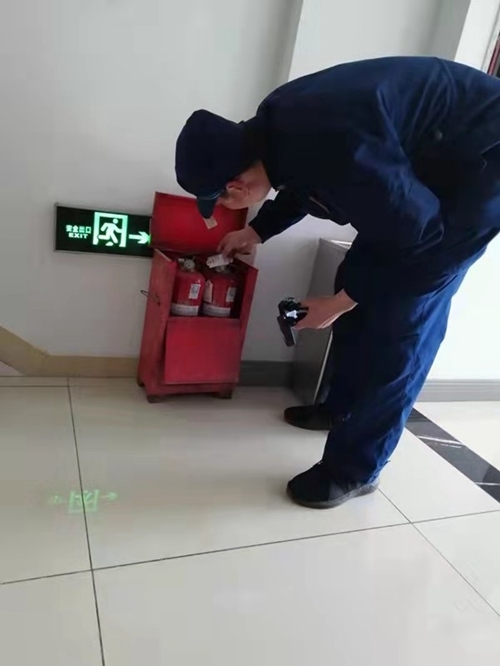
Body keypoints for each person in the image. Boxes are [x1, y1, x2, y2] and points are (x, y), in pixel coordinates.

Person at [175, 56, 500, 509]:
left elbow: (421, 234)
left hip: (481, 168)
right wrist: (258, 231)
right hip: (426, 165)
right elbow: (303, 180)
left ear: (236, 186)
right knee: (356, 277)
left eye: (224, 200)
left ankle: (356, 469)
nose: (230, 207)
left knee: (401, 326)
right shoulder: (276, 127)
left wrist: (341, 302)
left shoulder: (337, 143)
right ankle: (340, 407)